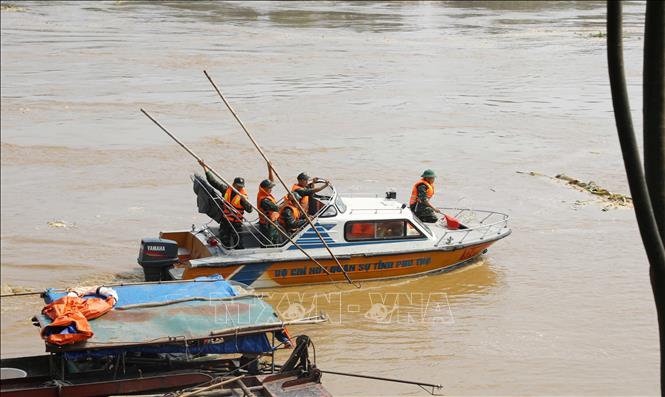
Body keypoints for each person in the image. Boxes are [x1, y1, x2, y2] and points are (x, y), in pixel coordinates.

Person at [199, 161, 252, 248]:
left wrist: (244, 200)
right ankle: (226, 250)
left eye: (241, 186)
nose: (239, 188)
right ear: (233, 184)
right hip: (226, 221)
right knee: (224, 240)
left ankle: (238, 257)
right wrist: (205, 167)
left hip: (237, 223)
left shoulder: (243, 197)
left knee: (239, 243)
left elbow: (250, 210)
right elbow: (213, 182)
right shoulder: (226, 189)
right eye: (238, 186)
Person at [257, 162, 281, 245]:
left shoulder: (262, 191)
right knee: (269, 244)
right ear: (266, 188)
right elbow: (277, 208)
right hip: (267, 225)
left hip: (272, 223)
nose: (271, 189)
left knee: (276, 242)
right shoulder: (264, 200)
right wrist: (288, 201)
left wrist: (270, 169)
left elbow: (271, 181)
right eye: (270, 188)